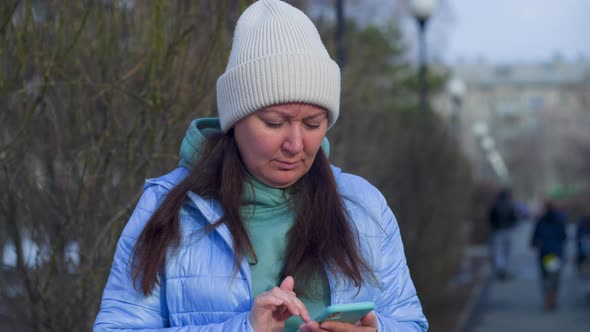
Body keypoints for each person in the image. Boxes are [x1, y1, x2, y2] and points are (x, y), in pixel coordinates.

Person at [93, 1, 428, 331]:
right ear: (235, 121)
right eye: (273, 122)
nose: (295, 144)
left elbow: (411, 323)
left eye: (312, 124)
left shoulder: (364, 206)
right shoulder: (167, 206)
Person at [530, 200, 567, 310]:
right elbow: (564, 236)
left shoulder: (541, 220)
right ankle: (552, 299)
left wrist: (535, 244)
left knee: (546, 277)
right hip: (555, 252)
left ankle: (547, 299)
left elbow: (534, 237)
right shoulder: (560, 220)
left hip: (545, 252)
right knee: (554, 276)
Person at [487, 188, 517, 280]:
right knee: (506, 251)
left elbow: (491, 218)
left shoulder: (495, 205)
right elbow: (514, 218)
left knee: (498, 251)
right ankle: (504, 269)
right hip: (508, 231)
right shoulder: (510, 205)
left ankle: (501, 269)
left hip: (497, 231)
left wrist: (494, 226)